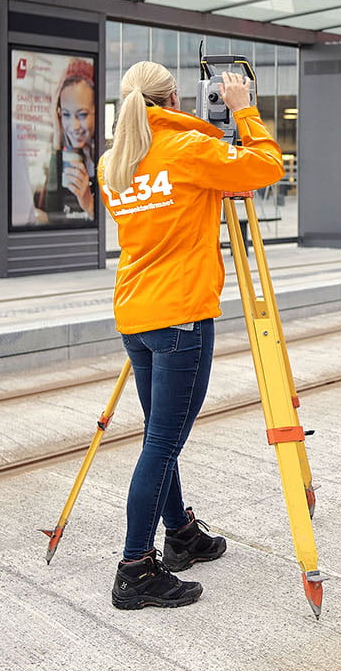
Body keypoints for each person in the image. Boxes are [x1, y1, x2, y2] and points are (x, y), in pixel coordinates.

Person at [97, 60, 284, 610]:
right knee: (162, 442)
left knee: (160, 433)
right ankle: (135, 567)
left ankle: (180, 534)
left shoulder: (115, 161)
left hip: (136, 315)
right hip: (180, 316)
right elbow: (267, 166)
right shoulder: (190, 151)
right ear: (174, 98)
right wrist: (243, 107)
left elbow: (165, 212)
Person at [54, 67, 99, 218]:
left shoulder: (107, 160)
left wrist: (89, 203)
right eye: (66, 114)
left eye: (82, 115)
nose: (74, 127)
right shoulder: (63, 154)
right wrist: (57, 133)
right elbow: (50, 210)